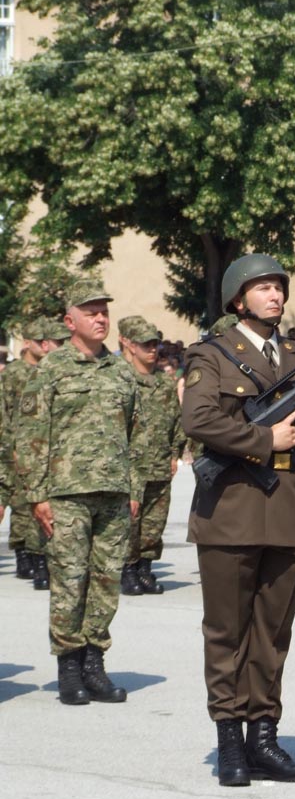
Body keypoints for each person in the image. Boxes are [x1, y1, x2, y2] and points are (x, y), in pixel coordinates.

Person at [182, 254, 295, 786]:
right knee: (228, 631)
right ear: (237, 299)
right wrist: (262, 439)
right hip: (231, 510)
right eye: (262, 288)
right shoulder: (212, 355)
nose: (274, 295)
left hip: (288, 508)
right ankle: (229, 741)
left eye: (278, 287)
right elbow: (198, 419)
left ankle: (263, 738)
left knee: (273, 631)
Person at [13, 279, 145, 705]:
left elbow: (136, 434)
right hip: (65, 495)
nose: (101, 318)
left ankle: (95, 664)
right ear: (70, 321)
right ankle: (69, 666)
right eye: (91, 312)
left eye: (104, 310)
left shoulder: (122, 370)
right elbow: (30, 435)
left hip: (114, 492)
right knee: (70, 580)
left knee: (106, 581)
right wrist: (37, 496)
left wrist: (135, 486)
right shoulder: (50, 369)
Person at [117, 316, 185, 596]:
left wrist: (174, 454)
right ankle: (127, 569)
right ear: (129, 345)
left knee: (154, 523)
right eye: (146, 344)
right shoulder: (121, 379)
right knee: (129, 521)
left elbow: (176, 420)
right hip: (130, 466)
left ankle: (145, 568)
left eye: (155, 344)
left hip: (158, 463)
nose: (152, 349)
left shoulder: (164, 382)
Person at [0, 317, 68, 588]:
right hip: (17, 446)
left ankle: (40, 557)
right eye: (42, 340)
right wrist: (9, 445)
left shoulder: (53, 370)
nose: (46, 345)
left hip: (47, 448)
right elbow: (4, 412)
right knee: (22, 504)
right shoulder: (14, 374)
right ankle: (26, 554)